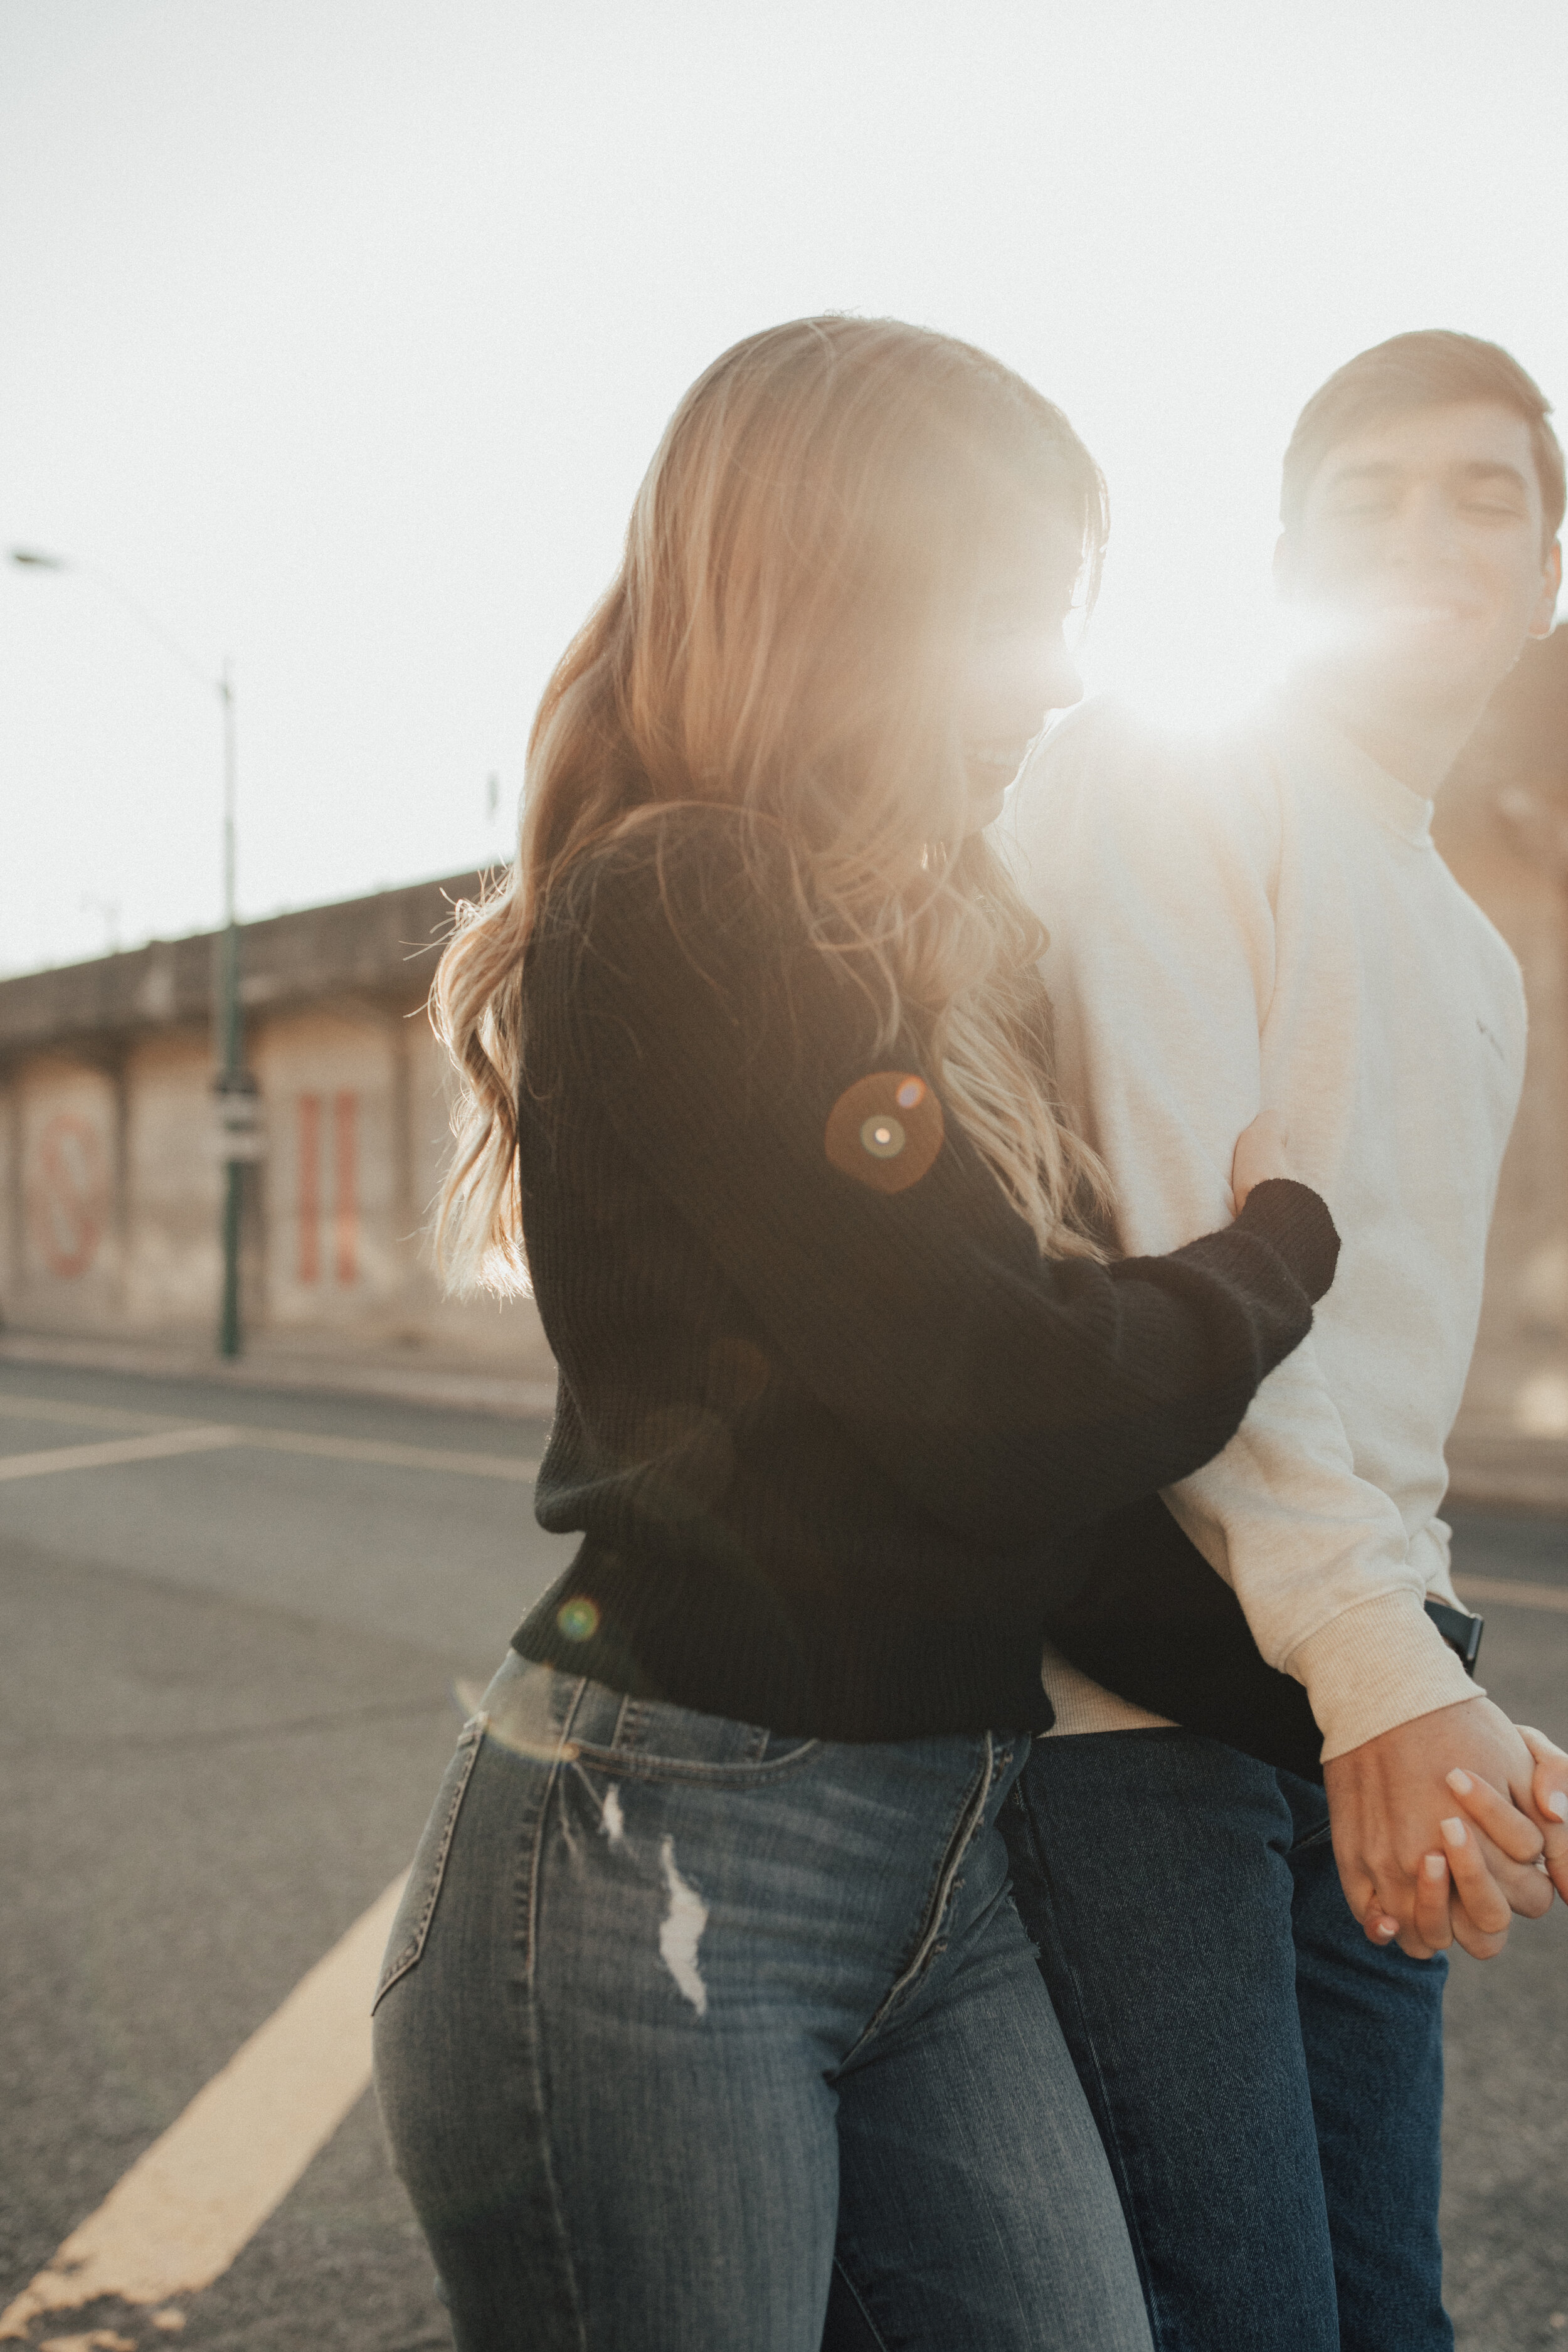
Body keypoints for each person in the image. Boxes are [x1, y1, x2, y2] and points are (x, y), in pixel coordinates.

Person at [370, 316, 1348, 2352]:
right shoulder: (689, 899)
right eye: (1011, 608)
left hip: (940, 1873)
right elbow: (1001, 1404)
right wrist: (1277, 1247)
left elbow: (1017, 1520)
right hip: (659, 1868)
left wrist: (1376, 1703)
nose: (1061, 677)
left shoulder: (901, 953)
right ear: (843, 591)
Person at [1003, 329, 1568, 2352]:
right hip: (1129, 1708)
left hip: (1357, 1691)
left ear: (1546, 574)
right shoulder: (1173, 777)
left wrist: (1419, 1678)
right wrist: (1380, 1671)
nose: (1427, 532)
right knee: (1237, 2315)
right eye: (1367, 499)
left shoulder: (1475, 952)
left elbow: (1390, 1386)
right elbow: (1175, 1264)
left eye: (1483, 495)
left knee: (1383, 2319)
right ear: (1279, 565)